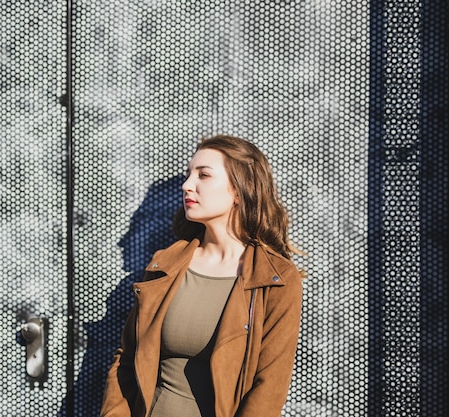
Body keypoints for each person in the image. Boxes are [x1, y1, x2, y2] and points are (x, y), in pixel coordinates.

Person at [100, 135, 303, 417]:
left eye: (203, 175)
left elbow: (269, 385)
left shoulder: (275, 278)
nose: (187, 185)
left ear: (239, 190)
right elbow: (127, 360)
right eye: (188, 174)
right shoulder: (165, 266)